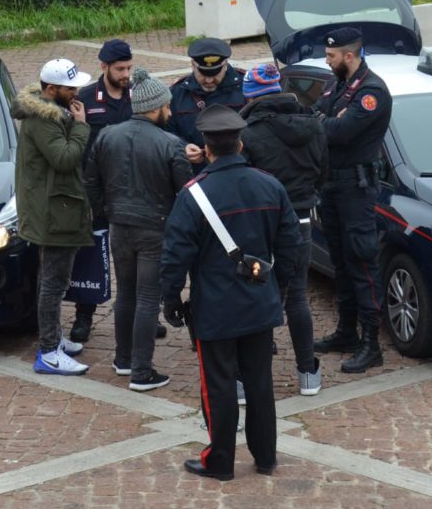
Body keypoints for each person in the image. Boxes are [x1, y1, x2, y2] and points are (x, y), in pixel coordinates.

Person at [160, 105, 301, 481]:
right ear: (240, 144)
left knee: (219, 386)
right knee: (259, 382)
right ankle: (266, 456)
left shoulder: (194, 195)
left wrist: (171, 298)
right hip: (259, 301)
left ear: (207, 148)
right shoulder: (270, 185)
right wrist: (280, 288)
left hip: (216, 307)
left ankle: (220, 460)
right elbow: (290, 247)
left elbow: (176, 254)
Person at [85, 68, 192, 391]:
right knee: (147, 297)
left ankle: (123, 359)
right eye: (167, 107)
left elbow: (91, 181)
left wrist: (105, 211)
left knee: (126, 294)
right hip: (155, 229)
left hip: (119, 225)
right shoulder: (171, 144)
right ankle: (141, 371)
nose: (170, 112)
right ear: (155, 107)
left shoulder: (107, 136)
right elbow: (185, 193)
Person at [239, 63, 327, 395]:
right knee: (297, 297)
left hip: (260, 225)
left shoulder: (246, 132)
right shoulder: (313, 124)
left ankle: (249, 379)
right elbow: (323, 171)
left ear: (251, 95)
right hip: (301, 218)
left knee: (256, 298)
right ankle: (308, 373)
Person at [311, 27, 392, 374]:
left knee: (362, 263)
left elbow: (340, 133)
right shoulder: (336, 84)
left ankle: (371, 343)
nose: (327, 61)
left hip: (356, 192)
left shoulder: (372, 91)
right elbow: (313, 118)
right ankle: (346, 332)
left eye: (331, 56)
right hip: (331, 188)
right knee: (340, 263)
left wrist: (325, 123)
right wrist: (326, 121)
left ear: (349, 55)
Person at [12, 58, 94, 376]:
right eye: (70, 88)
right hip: (52, 213)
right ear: (51, 89)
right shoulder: (44, 120)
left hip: (52, 208)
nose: (77, 92)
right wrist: (82, 126)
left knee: (52, 280)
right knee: (53, 283)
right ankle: (48, 351)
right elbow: (64, 158)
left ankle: (53, 339)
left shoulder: (49, 113)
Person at [168, 38, 247, 174]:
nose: (209, 80)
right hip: (196, 174)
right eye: (203, 74)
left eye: (215, 73)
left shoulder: (245, 87)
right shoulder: (177, 93)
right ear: (193, 65)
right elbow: (167, 131)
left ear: (225, 65)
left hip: (238, 170)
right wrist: (182, 147)